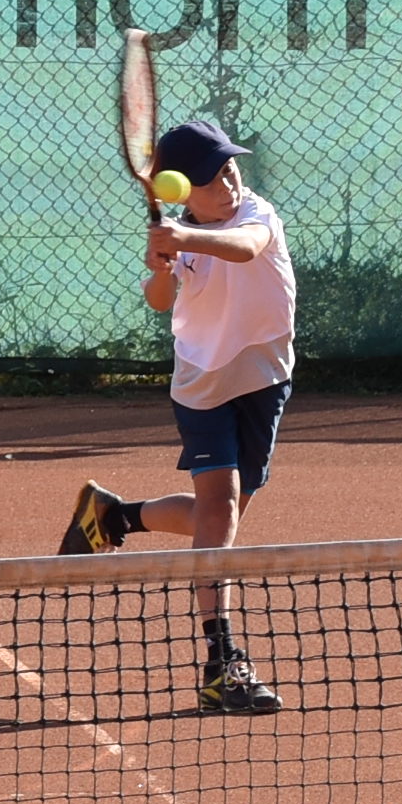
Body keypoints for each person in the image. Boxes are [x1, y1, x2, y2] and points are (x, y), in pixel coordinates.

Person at [58, 117, 296, 715]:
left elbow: (245, 249)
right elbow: (159, 299)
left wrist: (182, 239)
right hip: (202, 386)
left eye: (230, 168)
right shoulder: (181, 234)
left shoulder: (256, 214)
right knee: (219, 511)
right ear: (183, 190)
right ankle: (222, 663)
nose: (230, 182)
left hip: (264, 379)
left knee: (220, 520)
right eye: (214, 178)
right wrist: (163, 264)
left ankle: (113, 517)